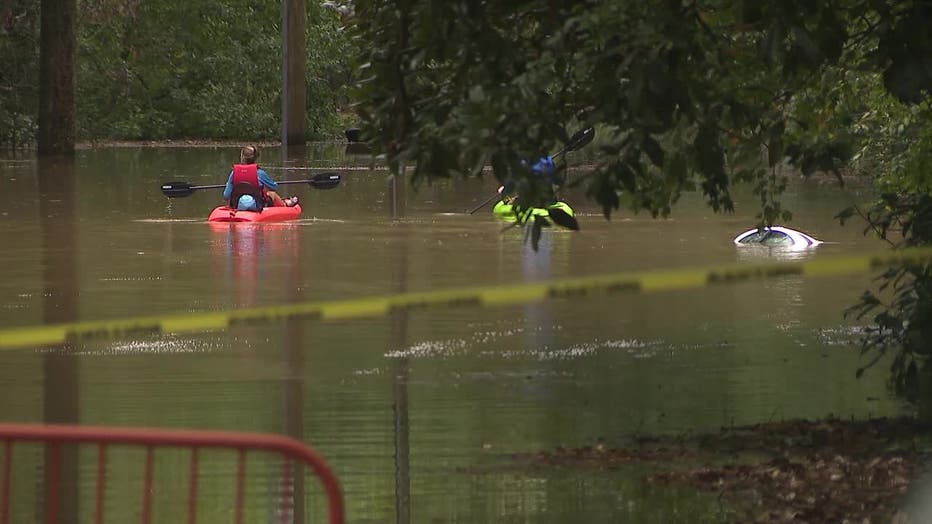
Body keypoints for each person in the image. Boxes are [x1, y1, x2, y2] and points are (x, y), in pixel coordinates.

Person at [222, 145, 298, 210]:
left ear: (242, 157)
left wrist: (228, 184)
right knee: (272, 194)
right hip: (257, 205)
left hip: (236, 206)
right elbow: (274, 187)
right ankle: (285, 205)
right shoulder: (260, 173)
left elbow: (226, 196)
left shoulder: (233, 173)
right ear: (255, 158)